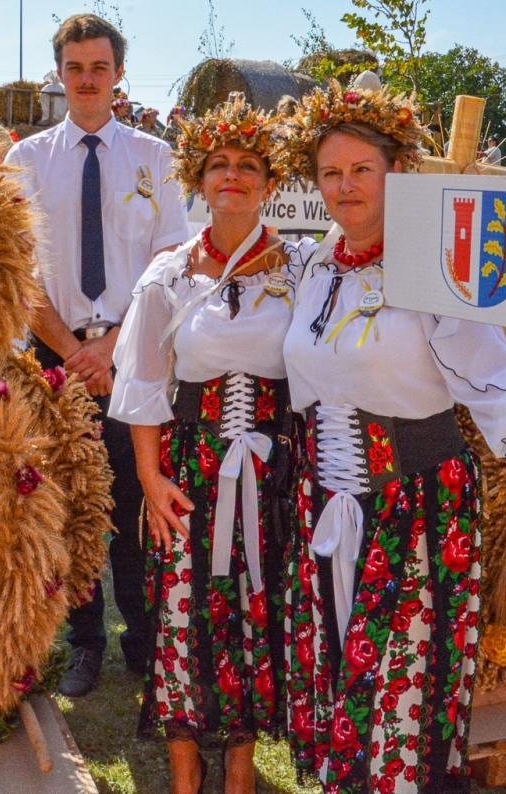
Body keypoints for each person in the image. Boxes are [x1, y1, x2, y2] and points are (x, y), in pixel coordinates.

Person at [277, 84, 506, 793]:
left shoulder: (430, 270)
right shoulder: (314, 267)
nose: (345, 188)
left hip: (413, 502)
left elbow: (495, 374)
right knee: (341, 663)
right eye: (331, 174)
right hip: (327, 499)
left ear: (396, 174)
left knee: (399, 688)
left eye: (361, 171)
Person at [110, 96, 308, 794]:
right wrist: (148, 476)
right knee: (182, 621)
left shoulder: (304, 268)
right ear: (198, 177)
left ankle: (241, 778)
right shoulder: (169, 274)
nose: (233, 176)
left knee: (255, 617)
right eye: (219, 164)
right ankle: (186, 780)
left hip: (271, 476)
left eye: (248, 166)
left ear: (270, 182)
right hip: (188, 471)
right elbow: (141, 383)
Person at [4, 14, 191, 697]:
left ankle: (143, 639)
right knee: (72, 507)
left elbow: (172, 261)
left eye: (100, 68)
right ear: (60, 74)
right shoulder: (24, 163)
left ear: (118, 75)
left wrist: (114, 347)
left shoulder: (155, 158)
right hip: (52, 358)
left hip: (137, 354)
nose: (87, 80)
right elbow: (15, 270)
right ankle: (85, 642)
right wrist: (72, 352)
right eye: (76, 68)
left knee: (139, 503)